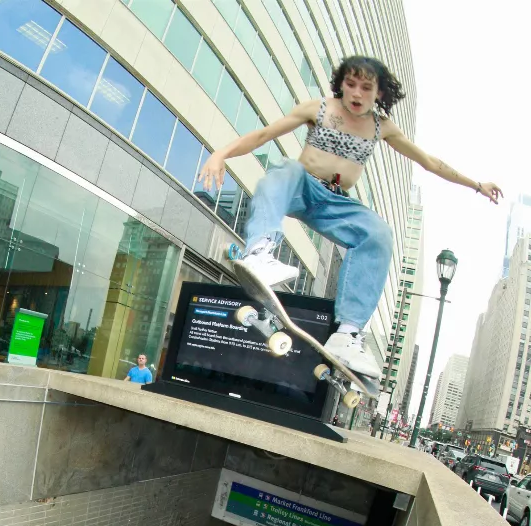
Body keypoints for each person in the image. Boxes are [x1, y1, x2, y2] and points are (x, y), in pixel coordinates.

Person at [199, 55, 502, 379]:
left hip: (336, 204)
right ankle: (260, 252)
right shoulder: (317, 109)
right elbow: (262, 136)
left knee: (379, 233)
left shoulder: (381, 127)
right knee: (283, 172)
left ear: (379, 94)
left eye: (366, 88)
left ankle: (348, 333)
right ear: (341, 85)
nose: (357, 94)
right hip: (303, 186)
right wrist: (220, 154)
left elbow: (430, 162)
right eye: (351, 85)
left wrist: (476, 185)